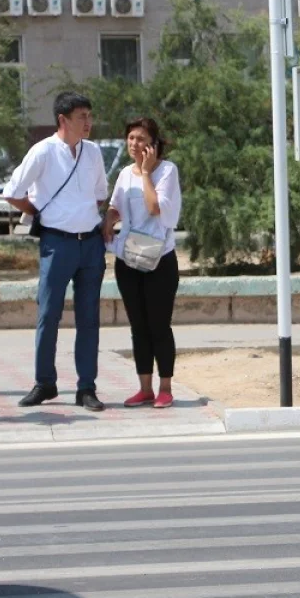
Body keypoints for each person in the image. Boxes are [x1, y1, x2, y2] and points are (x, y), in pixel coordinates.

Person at [4, 91, 109, 411]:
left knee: (89, 318)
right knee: (48, 314)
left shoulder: (93, 153)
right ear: (62, 120)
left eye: (90, 116)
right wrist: (37, 211)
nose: (89, 122)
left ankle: (86, 388)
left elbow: (100, 195)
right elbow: (13, 192)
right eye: (82, 117)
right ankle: (45, 383)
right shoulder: (43, 151)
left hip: (90, 244)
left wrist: (84, 218)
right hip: (57, 243)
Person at [103, 117, 182, 408]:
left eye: (141, 138)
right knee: (138, 326)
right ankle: (144, 387)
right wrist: (110, 219)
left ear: (153, 143)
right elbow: (116, 206)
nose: (135, 144)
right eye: (131, 138)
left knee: (159, 324)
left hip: (159, 258)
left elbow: (153, 207)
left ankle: (165, 387)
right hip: (129, 258)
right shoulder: (125, 174)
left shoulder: (166, 171)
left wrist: (147, 174)